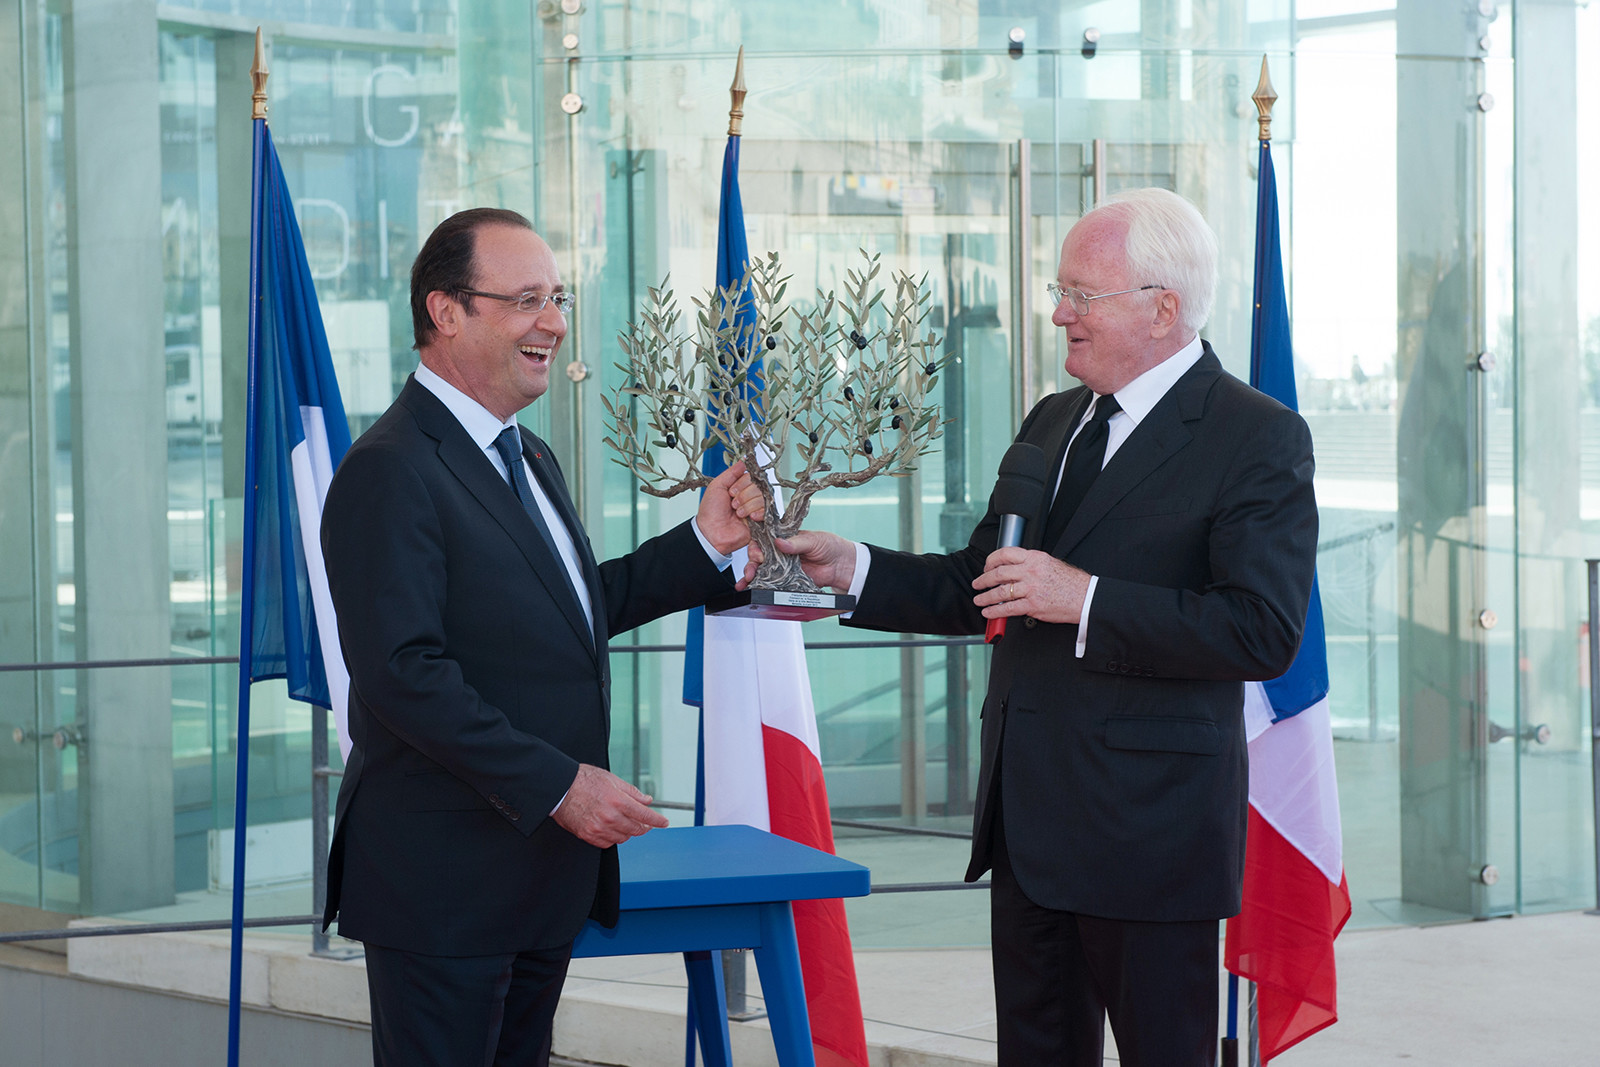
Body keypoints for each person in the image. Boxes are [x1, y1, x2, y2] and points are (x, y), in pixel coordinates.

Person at [773, 188, 1318, 1066]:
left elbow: (1260, 631)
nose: (1058, 312)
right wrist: (854, 567)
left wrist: (1088, 597)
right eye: (1059, 290)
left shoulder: (1257, 436)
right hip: (1028, 830)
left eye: (1081, 295)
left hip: (1152, 840)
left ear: (1163, 308)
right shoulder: (1053, 421)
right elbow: (984, 582)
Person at [319, 207, 761, 1066]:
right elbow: (403, 672)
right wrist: (561, 786)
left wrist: (704, 542)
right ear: (446, 311)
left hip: (533, 885)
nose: (555, 322)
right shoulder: (390, 467)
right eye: (527, 299)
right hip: (443, 893)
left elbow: (569, 611)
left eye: (556, 298)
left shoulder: (527, 456)